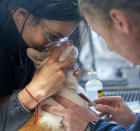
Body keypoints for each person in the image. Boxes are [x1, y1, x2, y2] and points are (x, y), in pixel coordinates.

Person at [42, 0, 140, 131]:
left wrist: (92, 126)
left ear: (120, 21)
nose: (109, 47)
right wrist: (137, 120)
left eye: (102, 35)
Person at [0, 0, 82, 130]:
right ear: (22, 15)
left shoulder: (27, 40)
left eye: (63, 39)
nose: (58, 45)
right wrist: (34, 91)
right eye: (53, 36)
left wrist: (62, 76)